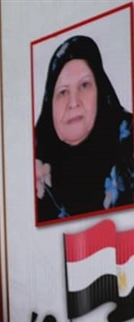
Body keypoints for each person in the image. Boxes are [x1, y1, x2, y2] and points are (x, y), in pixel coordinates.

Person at [34, 35, 133, 223]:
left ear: (100, 91)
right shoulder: (30, 162)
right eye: (63, 92)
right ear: (50, 103)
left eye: (84, 85)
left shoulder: (129, 141)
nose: (73, 102)